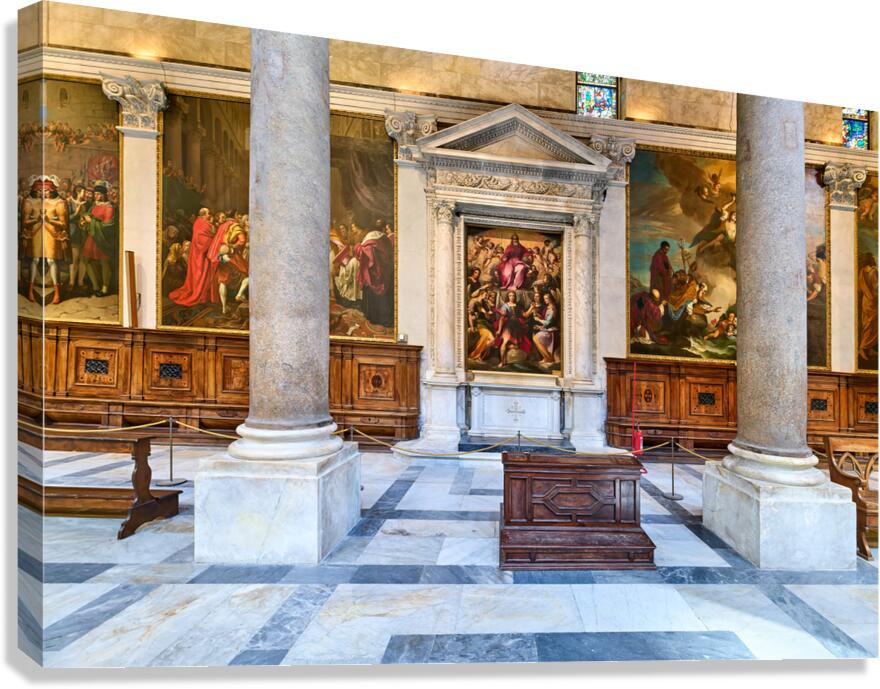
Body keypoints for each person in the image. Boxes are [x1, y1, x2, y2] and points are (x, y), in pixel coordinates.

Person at [22, 176, 69, 304]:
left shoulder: (59, 203)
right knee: (35, 260)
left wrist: (49, 220)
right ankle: (30, 291)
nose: (43, 193)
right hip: (36, 233)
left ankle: (57, 294)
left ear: (52, 190)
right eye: (41, 190)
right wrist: (37, 220)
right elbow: (25, 222)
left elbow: (63, 224)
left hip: (51, 234)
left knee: (51, 261)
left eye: (46, 190)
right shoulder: (30, 202)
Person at [168, 207, 218, 307]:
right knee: (200, 275)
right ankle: (201, 296)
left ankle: (205, 296)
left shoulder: (202, 223)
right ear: (202, 215)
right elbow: (201, 240)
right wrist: (215, 240)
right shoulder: (200, 223)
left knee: (204, 276)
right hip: (200, 255)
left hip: (201, 254)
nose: (209, 215)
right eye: (208, 214)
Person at [80, 181, 118, 297]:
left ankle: (104, 288)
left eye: (99, 194)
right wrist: (84, 222)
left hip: (102, 239)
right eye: (95, 194)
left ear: (104, 195)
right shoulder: (95, 205)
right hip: (92, 238)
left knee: (104, 262)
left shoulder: (109, 207)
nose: (96, 196)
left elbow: (108, 226)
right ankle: (96, 286)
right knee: (86, 260)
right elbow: (90, 216)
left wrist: (91, 221)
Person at [355, 223, 394, 327]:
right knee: (384, 297)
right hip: (385, 272)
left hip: (373, 273)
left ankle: (373, 318)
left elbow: (366, 254)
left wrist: (359, 248)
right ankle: (383, 319)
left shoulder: (369, 238)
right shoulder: (384, 238)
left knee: (374, 295)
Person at [494, 290, 531, 365]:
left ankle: (509, 359)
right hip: (508, 325)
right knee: (505, 342)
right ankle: (502, 361)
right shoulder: (505, 306)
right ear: (508, 297)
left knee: (517, 345)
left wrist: (532, 308)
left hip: (517, 326)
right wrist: (499, 330)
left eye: (513, 295)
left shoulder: (518, 306)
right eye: (510, 296)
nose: (512, 297)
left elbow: (525, 315)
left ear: (515, 297)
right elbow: (501, 318)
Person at [858, 252, 878, 363]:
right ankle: (863, 348)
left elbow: (860, 288)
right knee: (872, 325)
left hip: (866, 301)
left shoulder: (861, 271)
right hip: (874, 301)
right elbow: (876, 287)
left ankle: (867, 349)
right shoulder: (874, 271)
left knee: (867, 324)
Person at [532, 292, 560, 364]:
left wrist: (538, 320)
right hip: (547, 329)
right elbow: (546, 323)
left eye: (547, 298)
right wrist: (540, 327)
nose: (545, 300)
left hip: (552, 331)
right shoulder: (548, 307)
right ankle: (546, 357)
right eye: (544, 299)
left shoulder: (553, 308)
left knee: (536, 338)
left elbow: (548, 322)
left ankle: (548, 358)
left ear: (551, 298)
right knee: (535, 337)